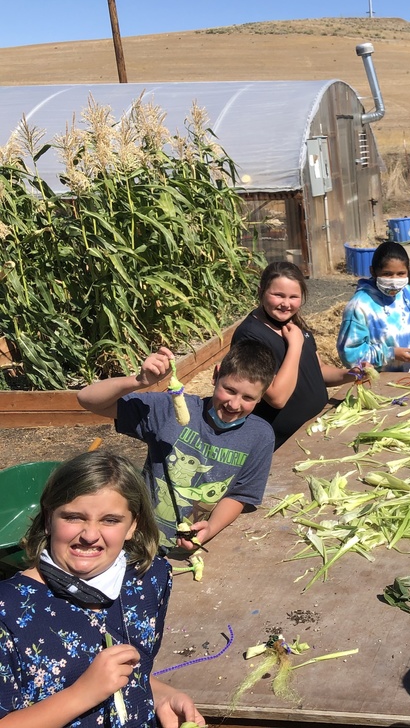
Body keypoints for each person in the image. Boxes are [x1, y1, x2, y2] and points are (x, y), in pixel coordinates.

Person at [0, 450, 205, 728]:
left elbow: (133, 673)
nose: (89, 535)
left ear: (133, 525)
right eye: (73, 517)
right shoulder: (8, 611)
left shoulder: (148, 579)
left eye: (110, 520)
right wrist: (82, 694)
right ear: (48, 519)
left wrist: (162, 696)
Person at [77, 342, 276, 550]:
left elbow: (240, 495)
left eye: (248, 398)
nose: (234, 404)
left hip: (192, 548)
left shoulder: (260, 436)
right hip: (139, 540)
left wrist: (209, 528)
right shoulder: (168, 409)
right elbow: (87, 399)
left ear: (262, 395)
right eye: (229, 390)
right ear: (216, 376)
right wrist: (138, 381)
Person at [231, 261, 354, 449]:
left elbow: (318, 370)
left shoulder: (293, 324)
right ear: (260, 291)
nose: (286, 304)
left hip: (316, 429)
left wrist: (350, 374)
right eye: (278, 295)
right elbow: (277, 398)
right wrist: (295, 346)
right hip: (282, 444)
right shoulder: (250, 335)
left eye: (294, 297)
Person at [336, 241, 410, 373]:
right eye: (387, 274)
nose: (394, 280)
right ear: (373, 271)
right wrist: (391, 354)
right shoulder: (360, 306)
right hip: (380, 384)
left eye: (401, 273)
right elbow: (349, 354)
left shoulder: (408, 293)